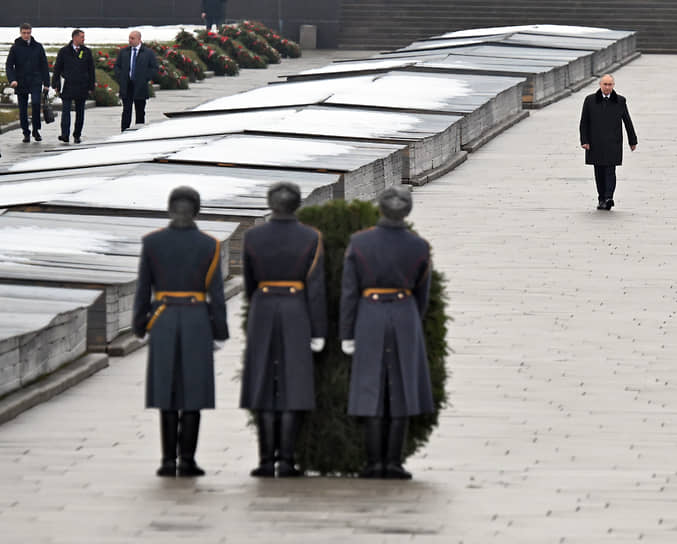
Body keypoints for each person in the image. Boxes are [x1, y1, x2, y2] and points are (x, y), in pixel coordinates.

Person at [132, 186, 228, 477]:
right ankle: (187, 460)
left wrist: (139, 324)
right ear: (197, 211)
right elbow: (217, 294)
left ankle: (166, 460)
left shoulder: (152, 243)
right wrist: (220, 331)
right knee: (193, 394)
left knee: (166, 392)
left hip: (162, 318)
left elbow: (143, 288)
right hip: (197, 320)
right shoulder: (210, 245)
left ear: (169, 209)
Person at [340, 186, 434, 480]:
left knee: (371, 389)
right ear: (407, 210)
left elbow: (349, 293)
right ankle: (393, 463)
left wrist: (347, 332)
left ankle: (373, 463)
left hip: (370, 313)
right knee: (402, 391)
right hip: (405, 313)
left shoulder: (359, 243)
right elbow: (423, 293)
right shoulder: (419, 246)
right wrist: (410, 320)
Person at [240, 182, 327, 478]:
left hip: (264, 308)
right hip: (295, 310)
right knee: (294, 387)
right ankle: (287, 460)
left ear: (269, 203)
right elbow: (315, 289)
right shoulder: (311, 237)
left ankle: (265, 461)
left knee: (263, 386)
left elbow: (249, 285)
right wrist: (317, 330)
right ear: (298, 204)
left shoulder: (253, 236)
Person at [580, 74, 638, 210]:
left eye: (610, 85)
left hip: (613, 142)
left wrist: (632, 140)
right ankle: (601, 199)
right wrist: (584, 140)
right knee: (599, 172)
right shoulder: (590, 100)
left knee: (610, 171)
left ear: (613, 85)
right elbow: (584, 122)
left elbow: (627, 121)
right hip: (595, 143)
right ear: (600, 85)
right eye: (605, 84)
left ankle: (609, 197)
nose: (607, 87)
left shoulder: (620, 101)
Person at [5, 23, 50, 143]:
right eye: (24, 33)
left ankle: (36, 129)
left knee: (36, 104)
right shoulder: (15, 48)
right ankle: (26, 132)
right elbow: (9, 65)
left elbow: (44, 65)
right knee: (23, 109)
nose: (26, 35)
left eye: (28, 33)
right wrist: (12, 79)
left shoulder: (38, 47)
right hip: (21, 82)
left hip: (35, 80)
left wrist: (46, 83)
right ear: (20, 33)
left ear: (31, 32)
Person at [51, 29, 95, 144]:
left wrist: (91, 86)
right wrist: (55, 83)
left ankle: (77, 135)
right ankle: (65, 134)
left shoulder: (86, 51)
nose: (83, 39)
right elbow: (57, 69)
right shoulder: (64, 51)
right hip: (68, 86)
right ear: (75, 38)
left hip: (82, 86)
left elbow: (91, 70)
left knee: (80, 112)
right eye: (81, 37)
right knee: (66, 112)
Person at [114, 30, 158, 132]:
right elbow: (117, 67)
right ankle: (124, 131)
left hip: (140, 87)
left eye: (132, 38)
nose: (130, 40)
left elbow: (154, 68)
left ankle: (139, 131)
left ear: (139, 39)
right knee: (126, 111)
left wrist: (144, 78)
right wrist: (121, 77)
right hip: (127, 85)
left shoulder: (148, 53)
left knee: (140, 111)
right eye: (129, 38)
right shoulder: (124, 52)